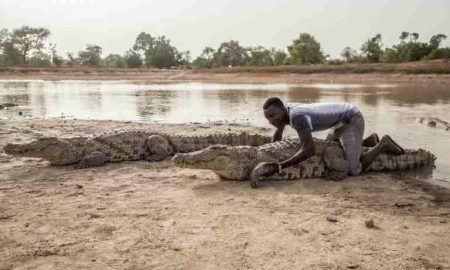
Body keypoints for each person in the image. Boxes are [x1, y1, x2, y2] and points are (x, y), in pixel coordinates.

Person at [260, 97, 404, 178]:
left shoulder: (297, 117)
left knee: (354, 169)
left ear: (282, 109)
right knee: (335, 149)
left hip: (350, 119)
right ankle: (369, 140)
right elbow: (276, 144)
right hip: (336, 123)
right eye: (268, 118)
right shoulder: (285, 111)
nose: (271, 121)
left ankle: (383, 144)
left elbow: (309, 149)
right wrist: (278, 126)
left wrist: (279, 167)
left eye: (273, 116)